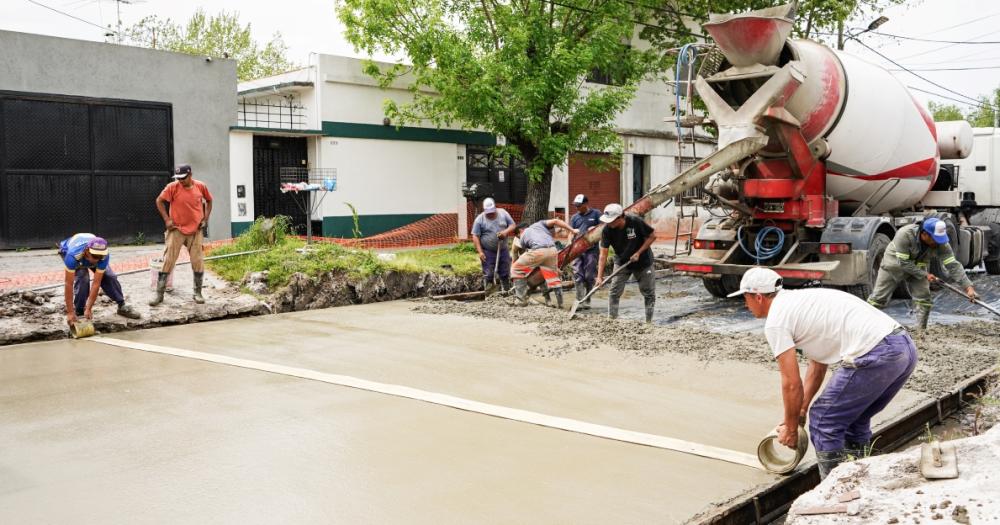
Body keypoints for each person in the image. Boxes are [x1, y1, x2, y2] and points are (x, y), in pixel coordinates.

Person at [732, 267, 917, 479]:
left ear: (758, 296)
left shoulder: (776, 321)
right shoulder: (800, 302)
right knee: (854, 419)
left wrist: (791, 429)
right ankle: (860, 481)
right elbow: (817, 366)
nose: (745, 305)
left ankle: (833, 494)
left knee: (823, 420)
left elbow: (791, 383)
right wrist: (801, 411)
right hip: (904, 348)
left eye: (745, 298)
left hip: (877, 352)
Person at [867, 218, 978, 330]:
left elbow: (953, 265)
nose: (938, 243)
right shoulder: (904, 235)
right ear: (925, 234)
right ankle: (867, 327)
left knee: (924, 297)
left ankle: (921, 330)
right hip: (894, 264)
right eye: (935, 239)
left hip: (918, 267)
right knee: (878, 299)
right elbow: (904, 263)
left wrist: (968, 287)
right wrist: (925, 275)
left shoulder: (941, 243)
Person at [151, 164, 214, 306]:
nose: (180, 180)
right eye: (178, 178)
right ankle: (159, 294)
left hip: (196, 230)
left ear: (190, 175)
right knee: (168, 261)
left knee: (197, 261)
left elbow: (209, 200)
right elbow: (159, 201)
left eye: (183, 178)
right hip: (177, 229)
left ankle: (197, 292)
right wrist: (167, 219)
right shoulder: (172, 187)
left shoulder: (200, 186)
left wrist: (205, 218)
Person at [59, 233, 141, 327]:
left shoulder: (103, 255)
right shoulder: (72, 256)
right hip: (73, 253)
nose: (97, 260)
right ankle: (79, 311)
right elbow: (68, 284)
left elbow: (96, 283)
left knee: (109, 276)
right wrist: (70, 312)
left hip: (86, 252)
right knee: (83, 277)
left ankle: (121, 305)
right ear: (87, 251)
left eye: (100, 257)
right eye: (94, 256)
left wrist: (89, 308)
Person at [595, 203, 657, 323]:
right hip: (622, 260)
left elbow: (652, 236)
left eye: (611, 220)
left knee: (648, 292)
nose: (609, 223)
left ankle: (649, 322)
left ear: (620, 217)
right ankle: (612, 320)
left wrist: (638, 252)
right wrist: (599, 277)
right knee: (614, 291)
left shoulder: (635, 221)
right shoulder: (607, 230)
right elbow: (603, 254)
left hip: (643, 261)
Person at [510, 218, 578, 307]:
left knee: (516, 269)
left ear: (520, 231)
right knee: (554, 279)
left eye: (518, 236)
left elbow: (534, 255)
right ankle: (561, 305)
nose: (519, 238)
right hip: (553, 251)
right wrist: (572, 230)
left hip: (538, 251)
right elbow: (556, 221)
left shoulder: (522, 237)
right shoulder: (540, 225)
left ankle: (521, 300)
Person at [471, 197, 516, 291]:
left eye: (492, 211)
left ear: (495, 207)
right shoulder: (479, 219)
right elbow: (475, 236)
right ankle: (490, 292)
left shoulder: (503, 213)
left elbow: (512, 225)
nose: (491, 214)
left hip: (503, 249)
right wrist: (480, 252)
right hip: (488, 251)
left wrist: (505, 232)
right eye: (488, 212)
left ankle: (506, 289)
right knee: (489, 272)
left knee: (504, 271)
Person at [569, 194, 603, 309]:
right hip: (577, 251)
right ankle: (579, 300)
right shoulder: (574, 217)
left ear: (586, 204)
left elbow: (603, 227)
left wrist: (594, 229)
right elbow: (571, 232)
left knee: (589, 276)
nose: (577, 208)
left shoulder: (596, 214)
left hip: (591, 250)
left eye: (579, 206)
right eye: (575, 206)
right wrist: (570, 243)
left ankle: (587, 299)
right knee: (578, 274)